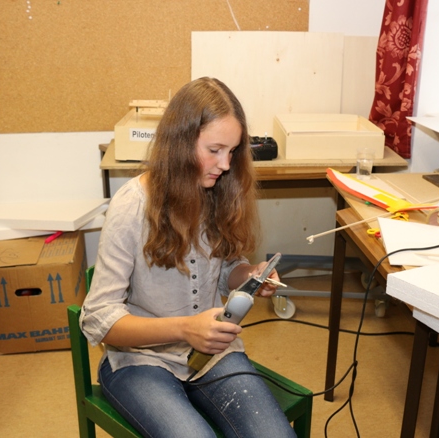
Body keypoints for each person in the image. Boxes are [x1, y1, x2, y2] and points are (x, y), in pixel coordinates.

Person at [80, 77, 297, 438]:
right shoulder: (132, 206)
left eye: (232, 151)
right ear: (180, 143)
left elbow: (225, 267)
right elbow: (98, 318)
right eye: (214, 150)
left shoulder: (216, 190)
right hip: (140, 360)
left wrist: (250, 275)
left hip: (211, 355)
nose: (225, 164)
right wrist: (185, 328)